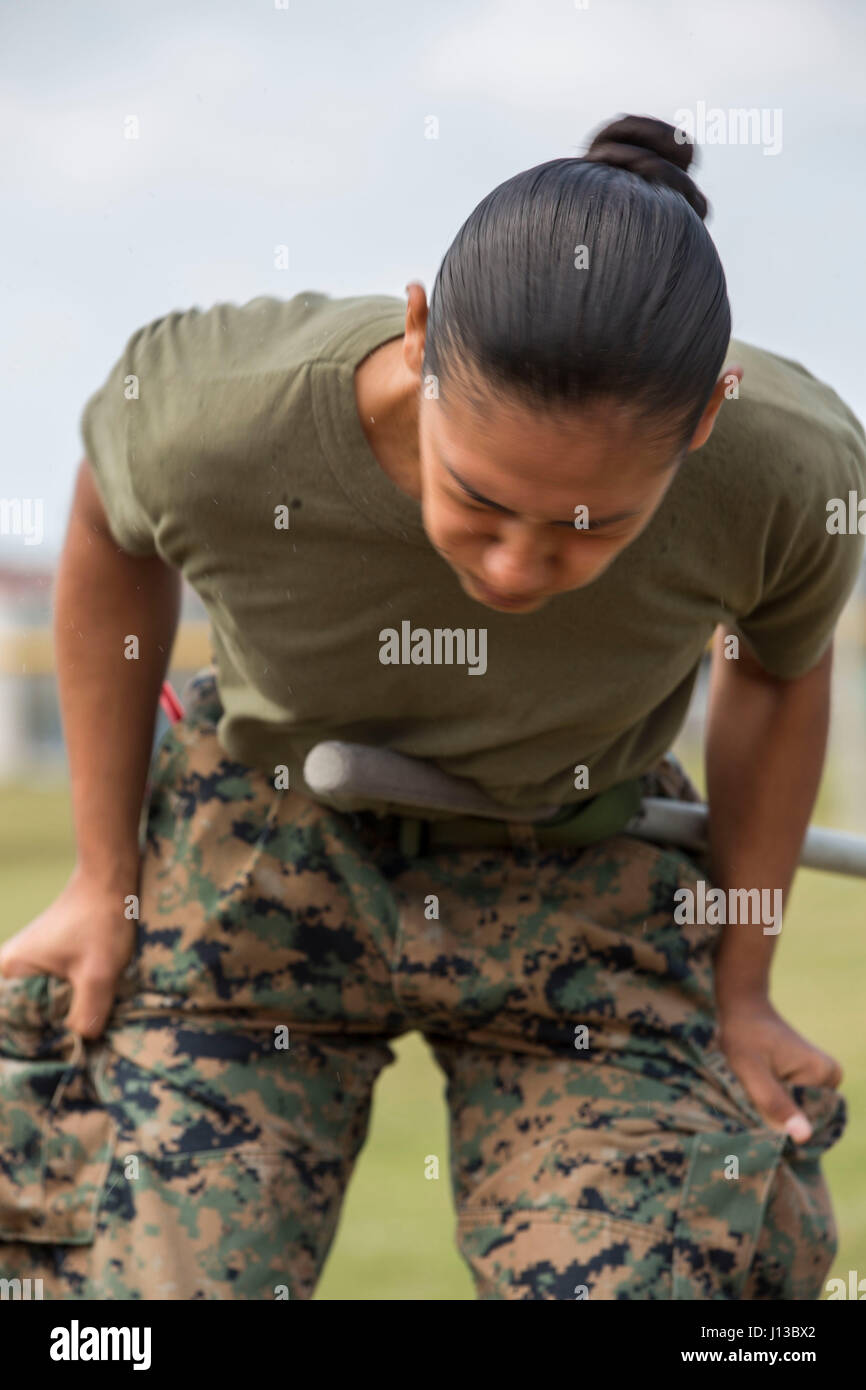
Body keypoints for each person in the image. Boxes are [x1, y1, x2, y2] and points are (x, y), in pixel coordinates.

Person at [0, 114, 863, 1301]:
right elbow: (107, 520)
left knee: (687, 1280)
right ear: (419, 337)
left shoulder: (786, 470)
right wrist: (105, 883)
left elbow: (776, 667)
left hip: (578, 870)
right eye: (478, 497)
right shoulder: (224, 407)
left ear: (705, 420)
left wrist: (744, 986)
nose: (511, 570)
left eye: (587, 526)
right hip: (263, 858)